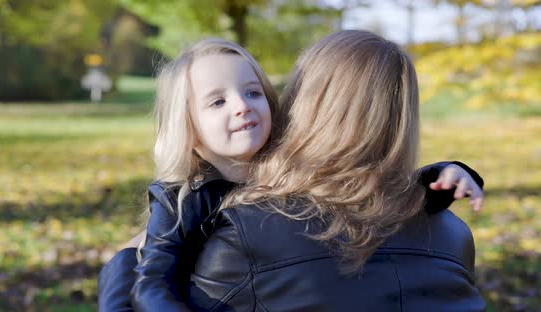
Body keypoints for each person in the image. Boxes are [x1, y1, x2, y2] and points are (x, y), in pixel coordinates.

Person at [98, 35, 485, 311]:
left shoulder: (246, 231)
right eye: (217, 101)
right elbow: (152, 287)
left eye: (254, 93)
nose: (242, 107)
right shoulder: (456, 236)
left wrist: (126, 258)